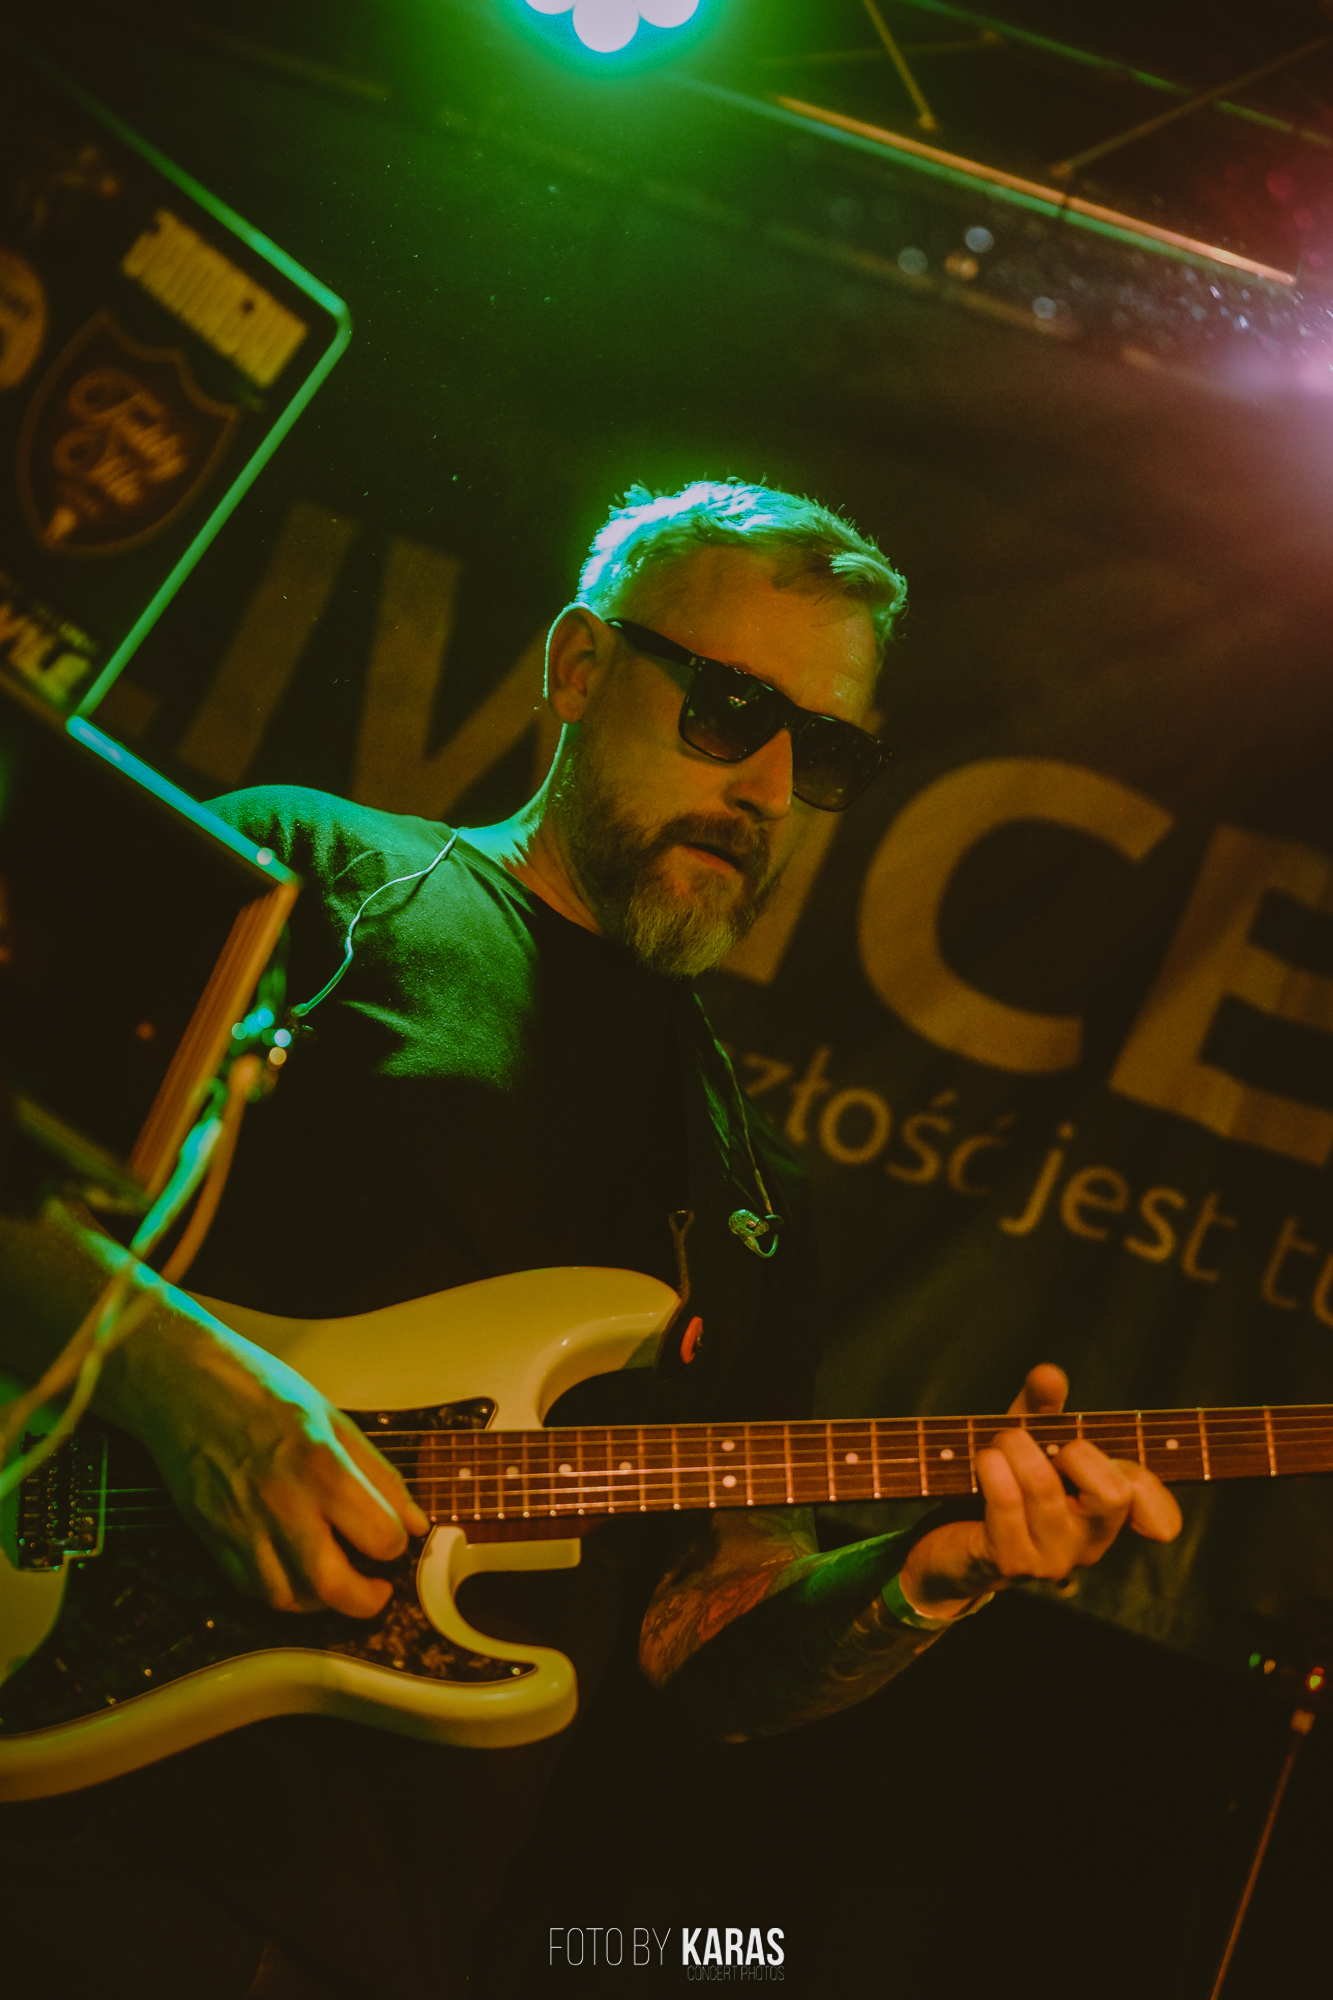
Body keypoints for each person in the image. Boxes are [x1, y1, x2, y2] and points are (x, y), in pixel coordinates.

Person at [0, 481, 1181, 1997]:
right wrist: (189, 1392)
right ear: (576, 667)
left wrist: (925, 1578)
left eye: (821, 751)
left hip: (356, 1940)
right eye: (729, 710)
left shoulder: (746, 1196)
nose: (768, 786)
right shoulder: (313, 878)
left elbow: (701, 1630)